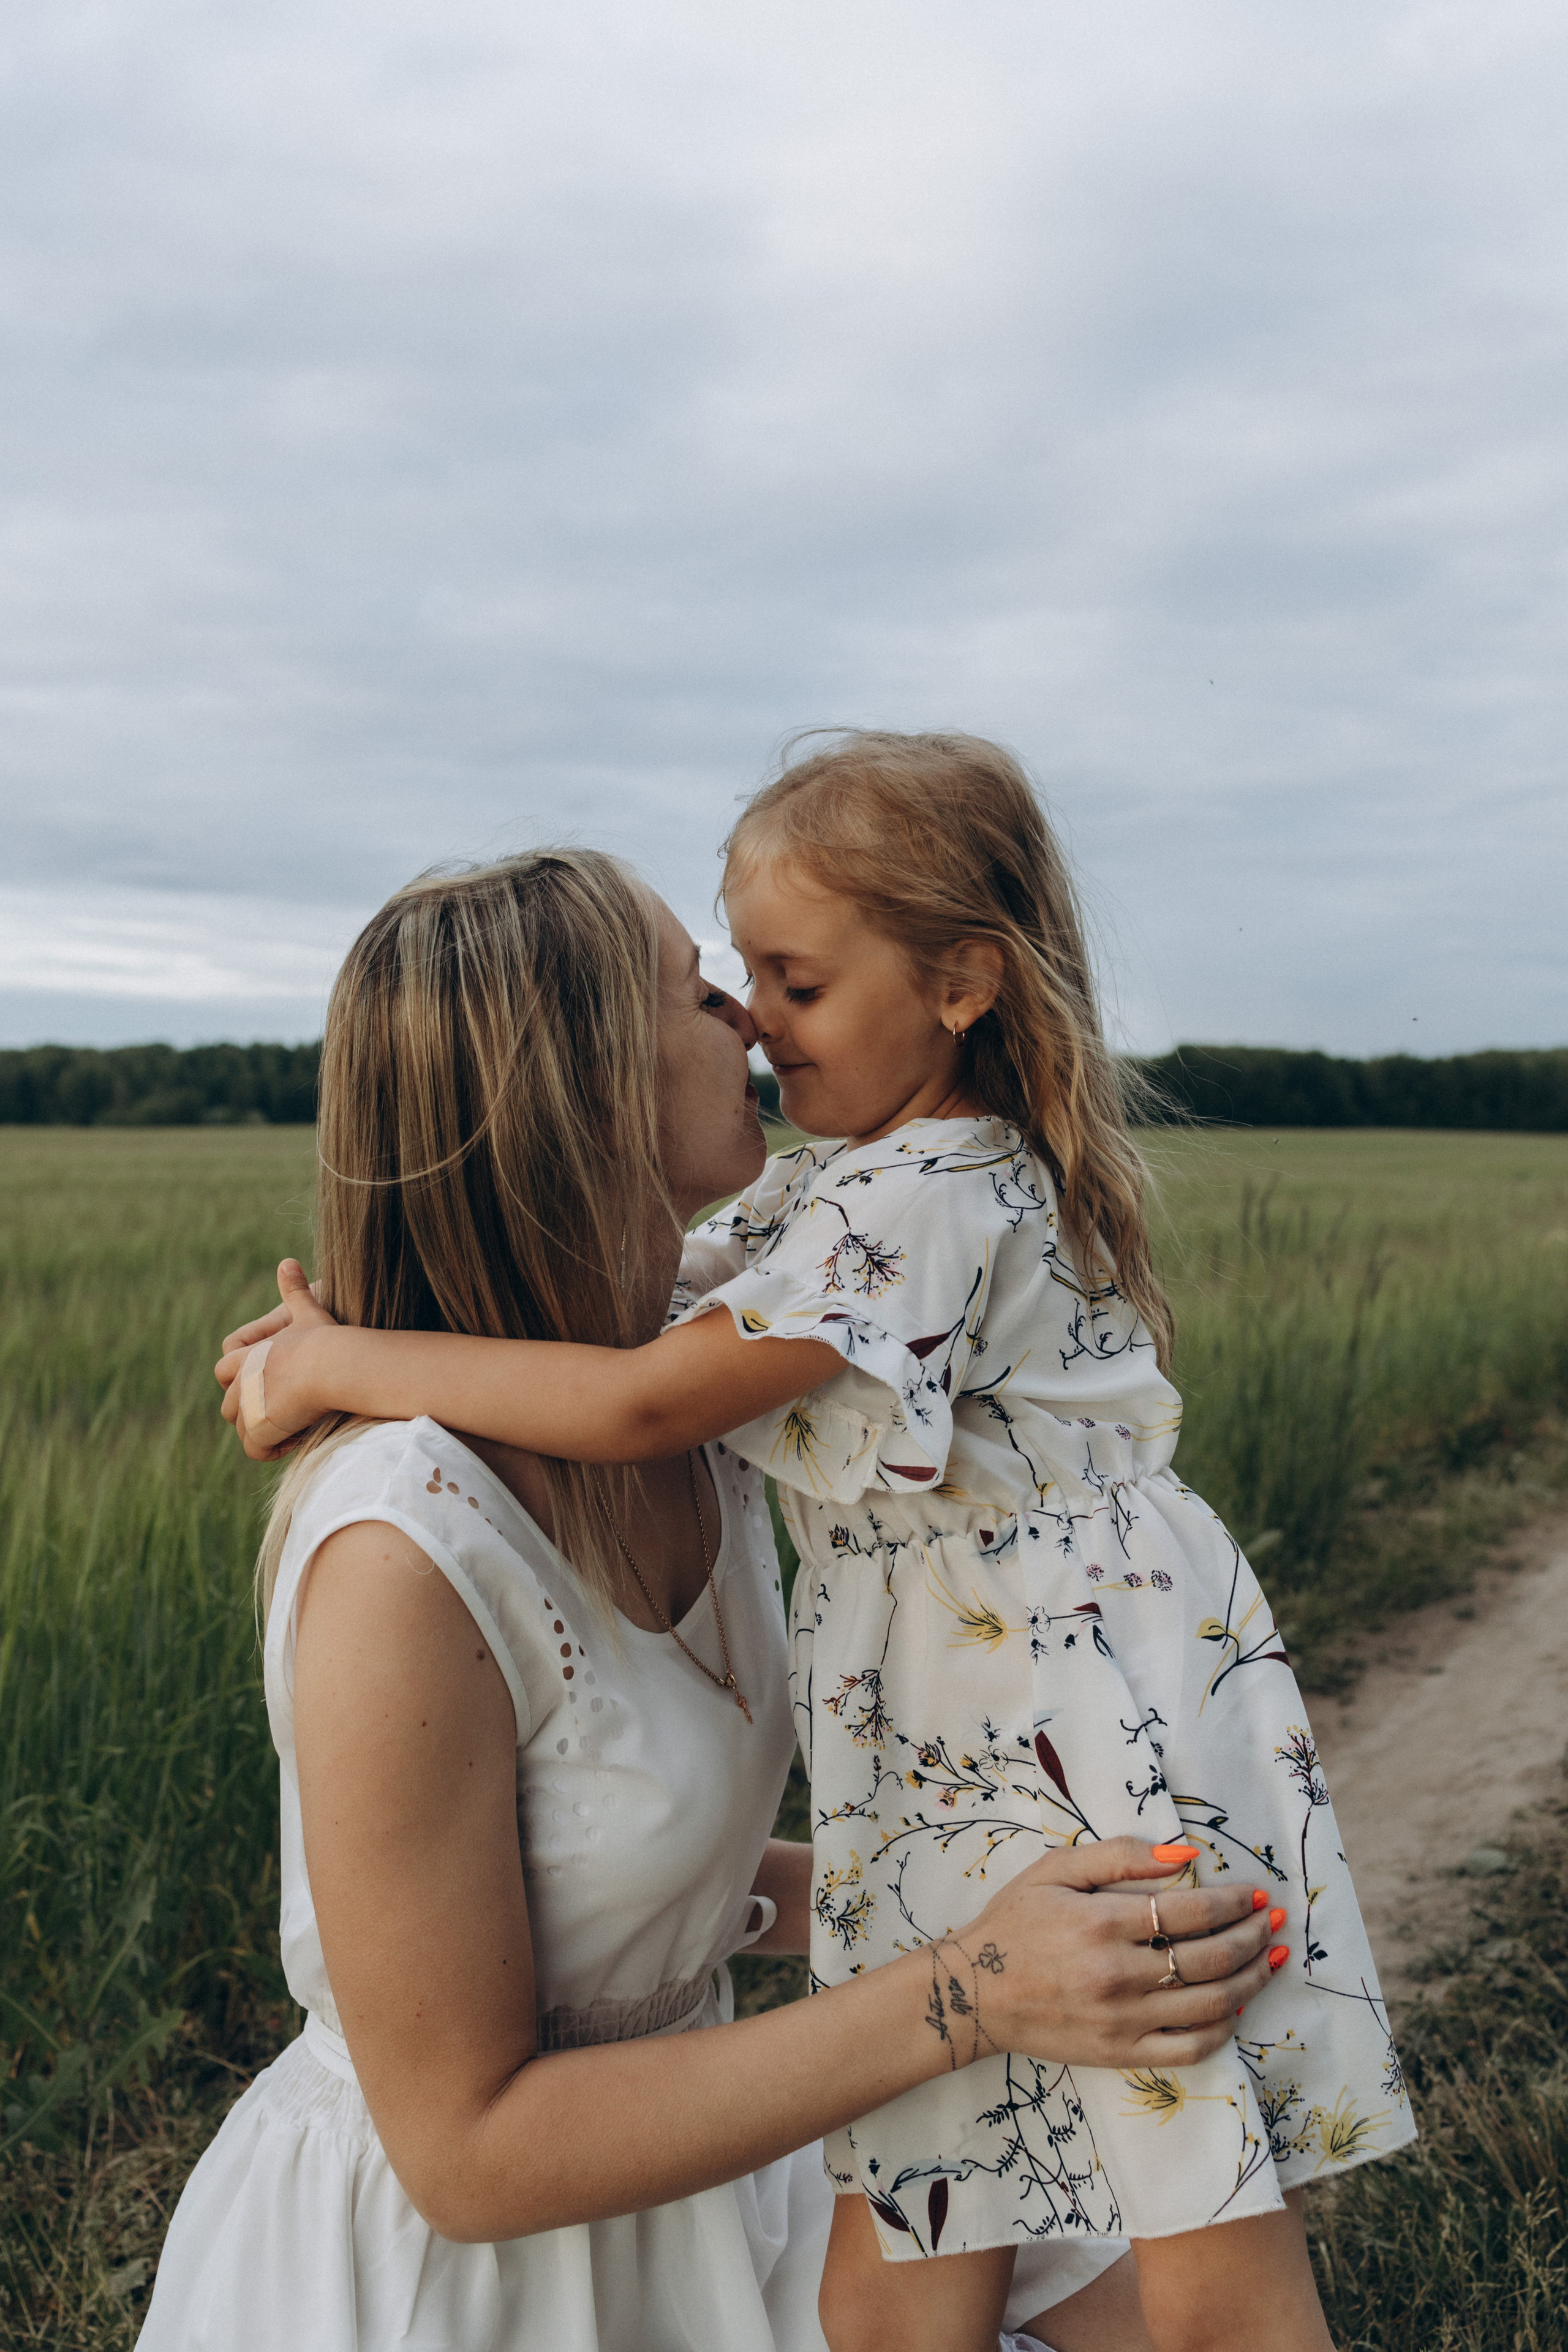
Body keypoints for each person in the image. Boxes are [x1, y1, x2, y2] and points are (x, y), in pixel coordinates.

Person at [153, 843, 1277, 2352]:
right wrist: (974, 1985)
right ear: (584, 1080)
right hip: (466, 2282)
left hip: (705, 2179)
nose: (748, 1021)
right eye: (702, 989)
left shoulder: (724, 1410)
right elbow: (470, 2157)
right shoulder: (401, 1557)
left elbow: (647, 1866)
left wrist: (1052, 1901)